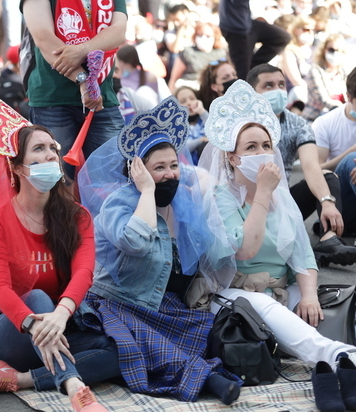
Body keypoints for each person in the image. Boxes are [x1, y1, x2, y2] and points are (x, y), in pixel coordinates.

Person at [0, 100, 120, 412]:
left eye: (53, 148)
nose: (50, 155)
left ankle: (19, 380)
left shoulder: (77, 216)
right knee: (36, 298)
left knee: (116, 350)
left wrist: (60, 315)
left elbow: (83, 273)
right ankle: (76, 390)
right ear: (18, 167)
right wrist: (34, 322)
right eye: (39, 149)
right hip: (12, 330)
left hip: (60, 324)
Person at [198, 79, 356, 392]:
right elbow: (243, 250)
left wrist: (309, 293)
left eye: (266, 146)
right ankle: (340, 357)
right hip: (231, 295)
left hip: (280, 288)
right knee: (261, 305)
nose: (262, 153)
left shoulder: (280, 198)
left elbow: (302, 253)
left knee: (343, 298)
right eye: (251, 147)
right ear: (232, 157)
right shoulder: (220, 197)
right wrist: (261, 195)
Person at [77, 97, 241, 404]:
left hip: (160, 305)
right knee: (147, 347)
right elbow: (136, 243)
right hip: (117, 303)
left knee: (211, 333)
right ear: (138, 170)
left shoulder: (181, 201)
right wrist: (148, 192)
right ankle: (210, 380)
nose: (169, 174)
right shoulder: (118, 203)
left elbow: (211, 247)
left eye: (173, 165)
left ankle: (203, 371)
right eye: (158, 168)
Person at [246, 64, 356, 266]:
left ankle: (329, 239)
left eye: (281, 85)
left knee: (326, 176)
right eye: (269, 86)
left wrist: (327, 202)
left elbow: (311, 167)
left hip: (281, 201)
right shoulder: (239, 124)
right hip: (243, 204)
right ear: (252, 92)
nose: (278, 91)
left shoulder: (297, 124)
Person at [21, 0, 126, 183]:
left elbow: (118, 32)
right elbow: (44, 39)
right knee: (55, 181)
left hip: (102, 98)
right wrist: (83, 80)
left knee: (114, 177)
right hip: (53, 98)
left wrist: (82, 50)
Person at [314, 65, 356, 253]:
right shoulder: (325, 123)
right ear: (349, 97)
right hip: (345, 200)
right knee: (354, 158)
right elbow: (316, 170)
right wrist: (352, 151)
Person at [218, 0, 290, 79]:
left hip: (248, 23)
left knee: (283, 38)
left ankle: (253, 68)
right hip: (236, 29)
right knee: (244, 76)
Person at [168, 22, 227, 92]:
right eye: (200, 35)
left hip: (213, 91)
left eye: (208, 36)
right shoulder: (188, 52)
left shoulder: (220, 54)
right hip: (190, 91)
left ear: (215, 37)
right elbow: (174, 79)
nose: (203, 38)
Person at [301, 34, 347, 122]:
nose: (335, 53)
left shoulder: (343, 72)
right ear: (324, 50)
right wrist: (344, 109)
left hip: (339, 117)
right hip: (316, 118)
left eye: (339, 50)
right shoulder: (315, 70)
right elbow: (322, 99)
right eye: (331, 49)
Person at [280, 15, 315, 107]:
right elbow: (295, 80)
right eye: (306, 29)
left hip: (314, 91)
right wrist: (313, 92)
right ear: (296, 30)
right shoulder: (289, 52)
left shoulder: (315, 51)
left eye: (312, 30)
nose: (310, 33)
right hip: (296, 94)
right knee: (299, 92)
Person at [174, 85, 209, 164]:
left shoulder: (204, 118)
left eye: (192, 99)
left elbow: (217, 132)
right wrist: (200, 140)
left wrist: (202, 111)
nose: (189, 103)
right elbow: (182, 149)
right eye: (183, 101)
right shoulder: (177, 126)